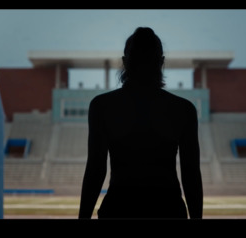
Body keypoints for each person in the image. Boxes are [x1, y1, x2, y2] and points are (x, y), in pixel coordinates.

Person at [79, 27, 203, 219]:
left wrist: (83, 217)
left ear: (125, 62)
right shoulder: (183, 109)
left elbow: (96, 169)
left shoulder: (102, 106)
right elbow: (191, 175)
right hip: (168, 209)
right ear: (161, 63)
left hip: (119, 209)